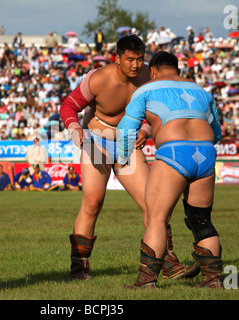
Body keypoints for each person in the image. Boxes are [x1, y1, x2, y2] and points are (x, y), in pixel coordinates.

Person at [60, 35, 196, 280]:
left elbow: (158, 111)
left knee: (152, 204)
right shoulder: (98, 78)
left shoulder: (149, 76)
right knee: (92, 202)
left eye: (140, 59)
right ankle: (79, 267)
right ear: (117, 58)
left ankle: (168, 263)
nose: (135, 65)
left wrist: (145, 130)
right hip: (96, 138)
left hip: (127, 141)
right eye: (129, 59)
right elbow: (68, 106)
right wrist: (75, 129)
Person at [115, 51, 223, 289]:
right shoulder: (201, 91)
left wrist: (123, 159)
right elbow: (216, 132)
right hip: (205, 153)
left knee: (157, 218)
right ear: (178, 71)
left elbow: (126, 129)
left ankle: (146, 281)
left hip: (174, 152)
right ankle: (213, 280)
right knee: (201, 220)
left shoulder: (145, 90)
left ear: (152, 71)